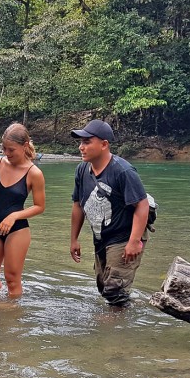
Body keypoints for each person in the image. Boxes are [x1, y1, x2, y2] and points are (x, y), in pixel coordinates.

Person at [69, 119, 150, 308]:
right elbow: (78, 205)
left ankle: (116, 333)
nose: (81, 147)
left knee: (115, 290)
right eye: (80, 142)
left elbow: (142, 205)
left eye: (87, 142)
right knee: (103, 285)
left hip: (124, 236)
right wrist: (74, 239)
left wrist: (134, 241)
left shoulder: (122, 171)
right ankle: (128, 317)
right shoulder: (82, 170)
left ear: (104, 144)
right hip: (102, 237)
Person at [0, 123, 46, 298]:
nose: (6, 153)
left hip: (17, 230)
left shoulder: (34, 173)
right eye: (4, 148)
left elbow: (40, 207)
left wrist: (14, 216)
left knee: (12, 279)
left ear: (25, 145)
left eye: (11, 149)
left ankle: (10, 314)